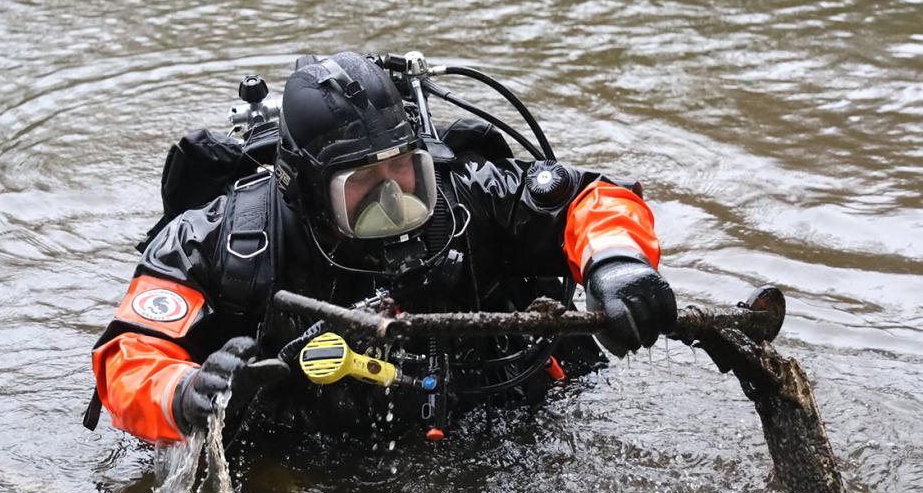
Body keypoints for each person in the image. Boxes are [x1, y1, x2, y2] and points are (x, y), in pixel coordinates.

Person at [84, 51, 676, 445]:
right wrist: (187, 394)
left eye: (406, 172)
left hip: (490, 423)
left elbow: (591, 198)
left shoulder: (467, 195)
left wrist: (618, 262)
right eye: (364, 187)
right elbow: (129, 358)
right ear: (307, 190)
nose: (394, 200)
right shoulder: (224, 241)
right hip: (308, 451)